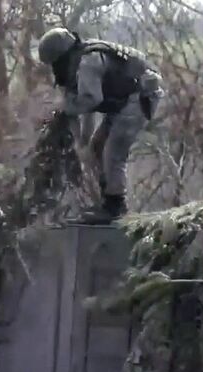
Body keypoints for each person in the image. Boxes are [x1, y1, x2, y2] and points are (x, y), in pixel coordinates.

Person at [37, 27, 164, 224]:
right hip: (122, 101)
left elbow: (91, 99)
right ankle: (107, 201)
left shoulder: (88, 62)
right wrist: (82, 143)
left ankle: (115, 205)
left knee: (113, 152)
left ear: (61, 56)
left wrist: (66, 109)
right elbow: (87, 111)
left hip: (138, 98)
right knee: (98, 146)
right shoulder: (80, 62)